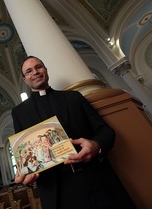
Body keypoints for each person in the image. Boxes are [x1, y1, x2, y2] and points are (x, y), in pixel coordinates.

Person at [11, 56, 136, 209]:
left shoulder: (74, 98)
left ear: (46, 70)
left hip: (96, 181)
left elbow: (105, 131)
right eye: (29, 71)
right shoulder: (19, 113)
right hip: (58, 193)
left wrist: (96, 145)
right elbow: (24, 154)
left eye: (39, 67)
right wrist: (27, 174)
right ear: (25, 79)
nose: (35, 72)